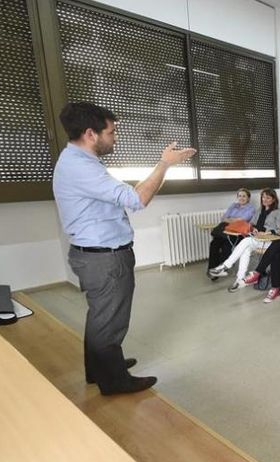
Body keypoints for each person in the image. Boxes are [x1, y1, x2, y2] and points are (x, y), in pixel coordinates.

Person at [53, 101, 196, 395]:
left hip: (93, 255)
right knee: (110, 321)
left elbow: (127, 195)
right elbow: (137, 200)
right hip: (104, 260)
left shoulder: (78, 161)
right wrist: (165, 164)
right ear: (91, 134)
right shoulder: (81, 168)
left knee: (100, 317)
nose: (115, 137)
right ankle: (114, 381)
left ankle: (101, 368)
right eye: (112, 132)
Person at [208, 189, 280, 291]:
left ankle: (225, 266)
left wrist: (267, 232)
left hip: (269, 241)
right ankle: (239, 280)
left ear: (274, 199)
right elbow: (251, 224)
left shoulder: (277, 212)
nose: (264, 199)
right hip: (258, 238)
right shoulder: (259, 210)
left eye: (268, 197)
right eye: (263, 197)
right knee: (245, 249)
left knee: (245, 242)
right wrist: (254, 229)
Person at [207, 188, 257, 272]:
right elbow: (223, 218)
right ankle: (212, 269)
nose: (241, 198)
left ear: (248, 198)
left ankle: (221, 268)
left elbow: (243, 219)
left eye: (244, 196)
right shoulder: (234, 205)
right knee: (214, 244)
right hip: (226, 229)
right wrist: (234, 219)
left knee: (226, 245)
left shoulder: (251, 208)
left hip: (238, 232)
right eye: (239, 196)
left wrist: (230, 219)